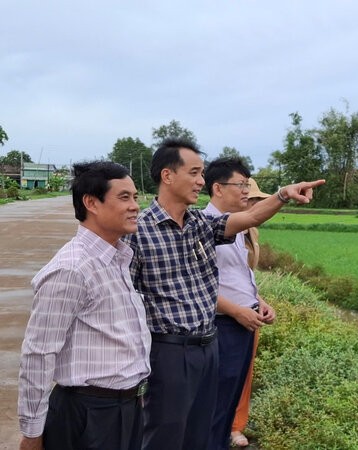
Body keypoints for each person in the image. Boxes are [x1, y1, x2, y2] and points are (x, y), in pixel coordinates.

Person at [122, 138, 323, 450]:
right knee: (165, 432)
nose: (201, 181)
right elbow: (124, 299)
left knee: (202, 430)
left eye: (202, 173)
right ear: (168, 176)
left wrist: (283, 194)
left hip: (208, 344)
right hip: (169, 350)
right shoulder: (138, 231)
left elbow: (251, 217)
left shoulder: (201, 224)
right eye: (194, 173)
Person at [18, 161, 150, 450]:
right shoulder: (72, 269)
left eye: (136, 197)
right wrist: (32, 433)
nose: (135, 206)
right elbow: (39, 354)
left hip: (126, 408)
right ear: (91, 202)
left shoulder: (116, 259)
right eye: (124, 197)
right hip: (89, 415)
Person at [203, 159, 276, 449]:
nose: (247, 193)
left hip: (244, 320)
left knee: (233, 392)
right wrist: (237, 310)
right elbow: (200, 287)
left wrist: (258, 301)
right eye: (242, 186)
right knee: (216, 399)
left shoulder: (236, 228)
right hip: (225, 323)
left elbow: (236, 276)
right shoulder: (206, 227)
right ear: (217, 188)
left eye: (249, 186)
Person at [229, 177, 272, 447]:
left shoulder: (252, 232)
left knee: (245, 372)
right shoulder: (224, 231)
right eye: (255, 201)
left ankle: (236, 425)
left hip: (249, 309)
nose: (260, 207)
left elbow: (246, 277)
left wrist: (260, 300)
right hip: (226, 312)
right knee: (224, 373)